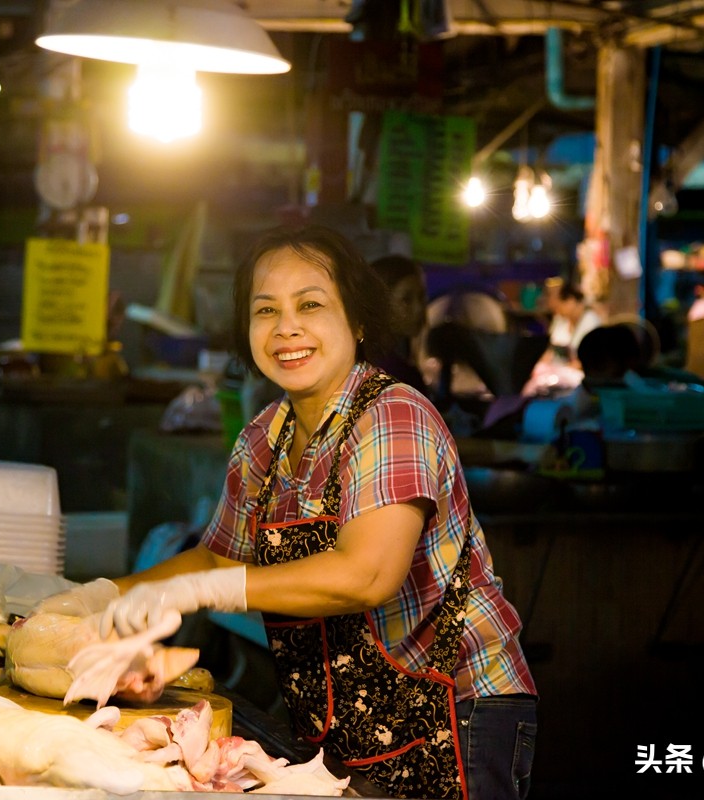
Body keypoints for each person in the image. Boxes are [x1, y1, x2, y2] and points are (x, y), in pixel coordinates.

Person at [58, 224, 538, 800]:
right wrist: (99, 598)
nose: (287, 328)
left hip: (457, 711)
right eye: (266, 311)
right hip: (344, 727)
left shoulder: (392, 416)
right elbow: (214, 555)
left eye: (310, 304)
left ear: (358, 322)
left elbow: (366, 574)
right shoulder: (264, 439)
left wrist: (205, 592)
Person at [368, 253, 431, 396]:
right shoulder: (390, 372)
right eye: (406, 300)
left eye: (421, 297)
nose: (419, 308)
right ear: (381, 303)